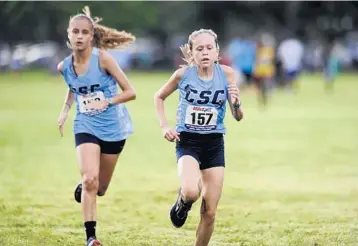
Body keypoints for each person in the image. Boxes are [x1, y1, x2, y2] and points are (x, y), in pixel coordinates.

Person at [154, 29, 243, 246]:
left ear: (217, 52)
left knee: (210, 211)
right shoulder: (183, 75)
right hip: (188, 142)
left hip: (214, 145)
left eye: (209, 48)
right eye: (199, 49)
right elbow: (159, 96)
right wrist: (164, 125)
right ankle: (182, 204)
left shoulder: (228, 74)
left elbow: (238, 116)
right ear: (192, 53)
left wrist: (237, 104)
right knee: (191, 191)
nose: (205, 52)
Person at [57, 6, 136, 246]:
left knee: (100, 188)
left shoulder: (103, 58)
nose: (79, 36)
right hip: (85, 124)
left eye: (84, 32)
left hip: (113, 127)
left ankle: (88, 186)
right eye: (75, 32)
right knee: (90, 179)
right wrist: (65, 111)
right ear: (68, 35)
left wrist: (107, 101)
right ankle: (91, 238)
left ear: (91, 36)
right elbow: (74, 87)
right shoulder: (64, 67)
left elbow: (131, 92)